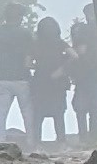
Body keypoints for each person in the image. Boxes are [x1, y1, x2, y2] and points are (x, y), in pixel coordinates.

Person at [26, 16, 75, 145]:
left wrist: (38, 66)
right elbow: (74, 56)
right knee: (59, 113)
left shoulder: (35, 45)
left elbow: (27, 63)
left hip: (40, 80)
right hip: (58, 80)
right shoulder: (60, 43)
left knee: (38, 113)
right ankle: (61, 142)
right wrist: (63, 68)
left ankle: (36, 143)